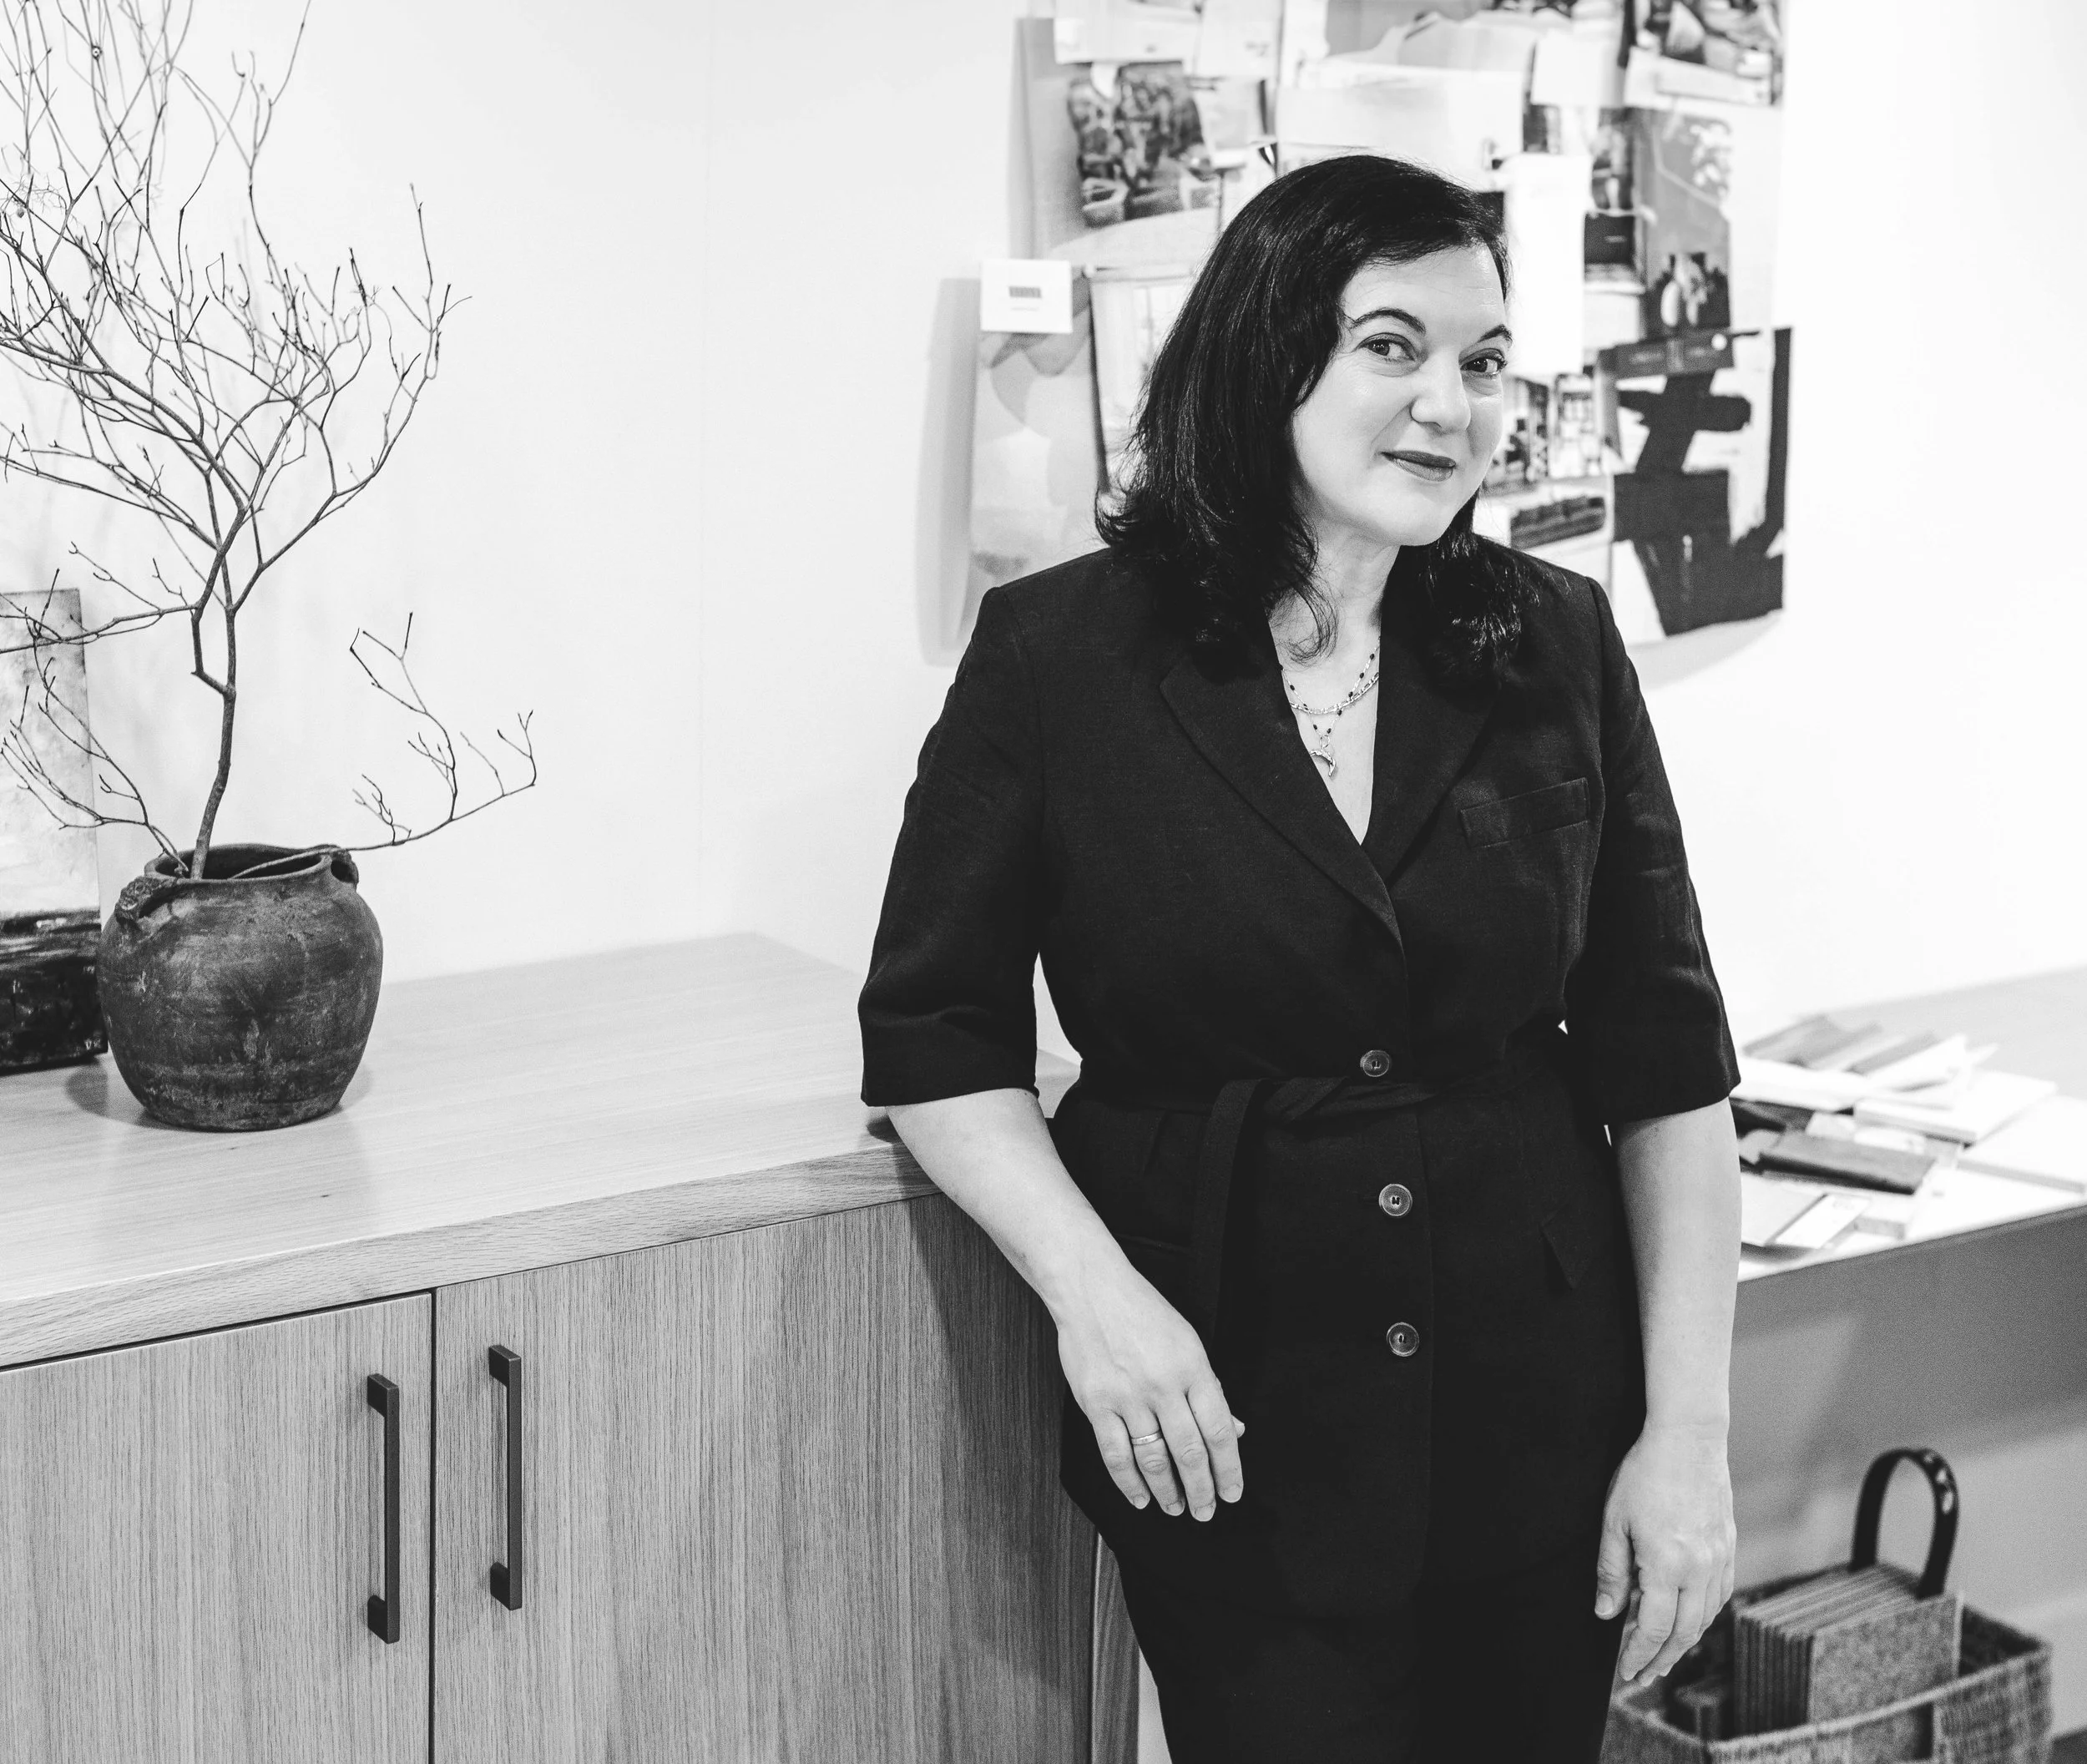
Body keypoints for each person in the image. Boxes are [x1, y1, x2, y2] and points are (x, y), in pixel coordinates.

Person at [859, 154, 1741, 1763]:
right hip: (1229, 1414)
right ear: (1271, 358)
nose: (1450, 406)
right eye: (1391, 345)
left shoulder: (1553, 639)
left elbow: (1668, 1065)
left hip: (1540, 1417)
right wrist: (1093, 1298)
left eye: (1482, 360)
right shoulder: (1063, 657)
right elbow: (934, 1035)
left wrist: (1691, 1437)